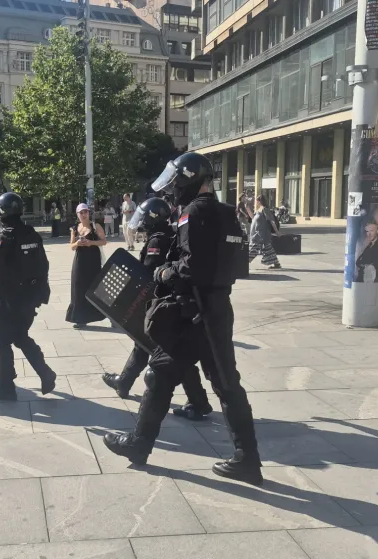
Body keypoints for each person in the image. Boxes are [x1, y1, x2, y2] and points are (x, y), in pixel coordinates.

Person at [102, 152, 262, 485]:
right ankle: (247, 458)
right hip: (218, 309)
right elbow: (237, 264)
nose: (173, 190)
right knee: (225, 384)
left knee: (162, 374)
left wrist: (165, 271)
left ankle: (139, 444)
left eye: (175, 184)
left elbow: (191, 267)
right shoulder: (227, 212)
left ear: (188, 180)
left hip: (192, 311)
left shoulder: (193, 213)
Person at [100, 197, 214, 419]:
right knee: (146, 345)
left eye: (144, 218)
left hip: (163, 304)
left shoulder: (157, 240)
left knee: (173, 354)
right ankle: (124, 382)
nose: (141, 222)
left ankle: (199, 402)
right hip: (172, 303)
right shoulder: (170, 234)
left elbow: (148, 273)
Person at [0, 192, 58, 401]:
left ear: (0, 213)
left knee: (2, 341)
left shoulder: (3, 238)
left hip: (8, 299)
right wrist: (41, 292)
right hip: (29, 298)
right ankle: (45, 373)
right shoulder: (32, 234)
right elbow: (44, 265)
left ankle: (6, 388)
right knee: (20, 336)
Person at [66, 203, 107, 328]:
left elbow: (104, 241)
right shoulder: (74, 228)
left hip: (93, 261)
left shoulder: (95, 226)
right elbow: (71, 246)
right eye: (81, 212)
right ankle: (80, 318)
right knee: (78, 286)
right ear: (77, 214)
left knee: (95, 287)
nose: (84, 214)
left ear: (89, 213)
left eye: (85, 212)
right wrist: (77, 243)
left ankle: (105, 314)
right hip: (80, 260)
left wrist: (91, 242)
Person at [248, 196, 281, 270]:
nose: (255, 202)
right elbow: (253, 218)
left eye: (256, 201)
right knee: (267, 249)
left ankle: (244, 262)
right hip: (257, 233)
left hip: (262, 234)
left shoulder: (265, 209)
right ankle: (276, 263)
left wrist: (277, 232)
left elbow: (272, 221)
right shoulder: (258, 210)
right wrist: (247, 208)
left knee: (254, 248)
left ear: (259, 201)